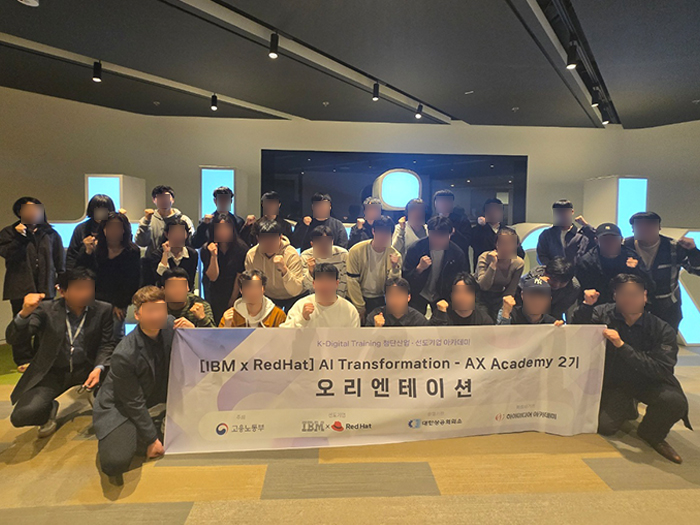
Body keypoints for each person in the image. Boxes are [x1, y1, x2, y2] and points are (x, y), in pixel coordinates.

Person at [572, 274, 690, 464]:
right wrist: (586, 305)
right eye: (624, 294)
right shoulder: (603, 313)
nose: (629, 299)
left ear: (645, 296)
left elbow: (661, 369)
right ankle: (628, 405)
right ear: (615, 295)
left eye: (635, 294)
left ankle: (652, 434)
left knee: (674, 402)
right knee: (605, 426)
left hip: (648, 381)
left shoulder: (662, 329)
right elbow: (579, 330)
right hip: (616, 382)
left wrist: (622, 346)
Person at [7, 268, 114, 438]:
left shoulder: (103, 309)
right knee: (22, 416)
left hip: (88, 367)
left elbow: (107, 344)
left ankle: (98, 395)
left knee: (118, 395)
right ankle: (49, 409)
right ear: (62, 291)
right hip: (54, 371)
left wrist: (98, 368)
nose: (86, 293)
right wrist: (25, 313)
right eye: (79, 288)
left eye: (89, 288)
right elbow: (15, 338)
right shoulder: (46, 310)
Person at [93, 286, 175, 480]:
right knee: (115, 463)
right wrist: (152, 439)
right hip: (121, 404)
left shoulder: (170, 325)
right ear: (137, 315)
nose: (157, 315)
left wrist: (192, 330)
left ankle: (148, 430)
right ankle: (140, 433)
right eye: (151, 311)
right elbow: (132, 402)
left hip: (151, 395)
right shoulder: (124, 353)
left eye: (161, 309)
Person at [0, 197, 65, 369]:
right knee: (21, 322)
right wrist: (19, 237)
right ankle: (23, 359)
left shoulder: (51, 234)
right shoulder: (9, 233)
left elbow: (59, 260)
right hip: (20, 286)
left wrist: (61, 280)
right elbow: (7, 254)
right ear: (19, 212)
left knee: (45, 323)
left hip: (45, 285)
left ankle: (40, 358)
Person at [623, 211, 700, 331]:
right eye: (640, 225)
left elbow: (697, 270)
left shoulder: (673, 246)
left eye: (650, 225)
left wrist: (693, 251)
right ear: (633, 229)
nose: (645, 229)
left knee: (667, 340)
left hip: (667, 306)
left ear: (659, 227)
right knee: (634, 341)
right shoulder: (624, 246)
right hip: (633, 306)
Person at [75, 211, 140, 341]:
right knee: (91, 335)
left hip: (118, 300)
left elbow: (132, 281)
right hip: (93, 299)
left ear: (124, 230)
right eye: (109, 226)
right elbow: (80, 272)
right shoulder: (94, 247)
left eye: (118, 227)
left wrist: (120, 304)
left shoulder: (132, 251)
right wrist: (87, 252)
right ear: (103, 229)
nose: (113, 230)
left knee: (115, 335)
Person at [403, 216, 467, 315]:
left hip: (443, 294)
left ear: (450, 234)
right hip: (418, 292)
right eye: (433, 235)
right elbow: (405, 278)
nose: (437, 240)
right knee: (415, 321)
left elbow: (463, 279)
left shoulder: (457, 254)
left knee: (442, 322)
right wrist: (419, 269)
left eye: (441, 236)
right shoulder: (416, 248)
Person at [576, 223, 653, 304]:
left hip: (628, 303)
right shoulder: (587, 261)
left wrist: (637, 269)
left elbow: (650, 286)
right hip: (599, 305)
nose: (610, 243)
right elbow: (582, 293)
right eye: (605, 239)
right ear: (596, 240)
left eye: (614, 239)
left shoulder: (632, 257)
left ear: (621, 240)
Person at [346, 216, 402, 322]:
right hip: (357, 296)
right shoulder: (356, 251)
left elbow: (393, 284)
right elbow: (352, 282)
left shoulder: (395, 255)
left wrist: (395, 268)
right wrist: (360, 306)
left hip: (380, 298)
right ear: (373, 231)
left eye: (387, 233)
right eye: (380, 232)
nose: (383, 237)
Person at [245, 219, 304, 311]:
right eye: (265, 239)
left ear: (280, 237)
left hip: (293, 296)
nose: (269, 243)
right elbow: (251, 285)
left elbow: (296, 290)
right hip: (268, 297)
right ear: (258, 238)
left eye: (273, 239)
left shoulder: (291, 254)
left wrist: (284, 270)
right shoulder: (252, 255)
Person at [201, 213, 248, 323]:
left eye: (226, 228)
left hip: (233, 289)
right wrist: (213, 256)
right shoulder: (207, 249)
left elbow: (239, 276)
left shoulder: (241, 248)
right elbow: (212, 277)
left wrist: (232, 299)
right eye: (219, 229)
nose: (223, 232)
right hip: (213, 290)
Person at [281, 263, 361, 328]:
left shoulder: (349, 310)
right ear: (314, 284)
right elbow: (285, 333)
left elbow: (354, 338)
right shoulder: (301, 305)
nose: (324, 286)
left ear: (336, 284)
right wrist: (302, 318)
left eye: (328, 281)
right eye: (321, 281)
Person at [476, 227, 525, 319]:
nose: (507, 248)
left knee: (506, 317)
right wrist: (493, 264)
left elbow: (510, 291)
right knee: (484, 319)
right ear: (496, 244)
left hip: (500, 297)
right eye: (503, 243)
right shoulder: (484, 257)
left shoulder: (518, 263)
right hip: (480, 296)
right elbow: (483, 286)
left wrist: (503, 310)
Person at [135, 185, 194, 257]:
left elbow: (191, 243)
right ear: (154, 200)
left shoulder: (183, 220)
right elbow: (141, 243)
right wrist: (146, 222)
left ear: (173, 200)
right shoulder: (148, 220)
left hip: (178, 261)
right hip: (153, 261)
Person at [520, 257, 580, 321]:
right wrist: (538, 286)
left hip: (552, 314)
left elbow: (558, 310)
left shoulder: (573, 287)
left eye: (562, 283)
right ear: (545, 274)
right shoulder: (533, 276)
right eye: (554, 280)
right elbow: (525, 301)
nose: (557, 285)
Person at [220, 270, 287, 327]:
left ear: (263, 289)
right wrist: (226, 326)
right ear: (241, 290)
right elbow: (219, 338)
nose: (253, 292)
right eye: (248, 287)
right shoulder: (232, 315)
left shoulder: (277, 315)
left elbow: (285, 337)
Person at [536, 200, 595, 265]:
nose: (561, 215)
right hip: (553, 270)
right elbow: (541, 256)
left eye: (565, 212)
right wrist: (551, 268)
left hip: (576, 270)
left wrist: (586, 225)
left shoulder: (581, 235)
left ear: (572, 212)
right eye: (558, 212)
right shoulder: (547, 235)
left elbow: (597, 241)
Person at [65, 194, 116, 270]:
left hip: (110, 271)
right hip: (85, 272)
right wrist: (86, 250)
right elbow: (71, 256)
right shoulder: (81, 228)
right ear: (92, 210)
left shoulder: (116, 228)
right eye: (98, 209)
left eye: (104, 210)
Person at [471, 198, 524, 269]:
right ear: (485, 212)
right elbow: (476, 246)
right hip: (484, 269)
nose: (494, 213)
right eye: (490, 210)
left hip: (505, 270)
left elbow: (519, 253)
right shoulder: (478, 230)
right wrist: (481, 226)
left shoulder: (509, 231)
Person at [148, 218, 199, 289]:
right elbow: (160, 277)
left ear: (187, 234)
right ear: (166, 234)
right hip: (163, 292)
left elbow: (190, 280)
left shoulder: (192, 254)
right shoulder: (157, 254)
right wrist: (165, 254)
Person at [300, 225, 348, 298]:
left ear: (332, 242)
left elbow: (343, 283)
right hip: (314, 297)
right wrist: (311, 272)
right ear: (312, 244)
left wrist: (337, 300)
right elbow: (306, 287)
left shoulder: (343, 254)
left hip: (338, 296)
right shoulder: (306, 256)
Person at [430, 273, 494, 326]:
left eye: (467, 292)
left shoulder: (484, 319)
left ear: (474, 295)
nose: (462, 297)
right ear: (451, 295)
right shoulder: (442, 314)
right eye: (458, 292)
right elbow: (432, 334)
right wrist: (441, 316)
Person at [497, 277, 563, 325]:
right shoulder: (511, 314)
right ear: (522, 295)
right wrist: (505, 315)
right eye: (532, 295)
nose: (536, 301)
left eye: (541, 297)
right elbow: (500, 337)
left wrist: (559, 331)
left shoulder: (551, 323)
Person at [432, 190, 472, 270]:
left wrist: (454, 233)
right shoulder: (432, 221)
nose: (442, 204)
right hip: (436, 263)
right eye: (439, 201)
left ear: (451, 203)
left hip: (457, 262)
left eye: (445, 201)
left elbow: (467, 242)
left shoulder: (462, 220)